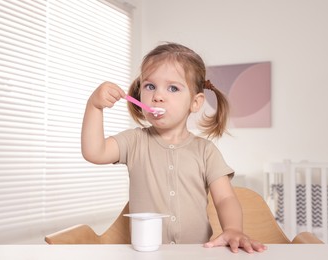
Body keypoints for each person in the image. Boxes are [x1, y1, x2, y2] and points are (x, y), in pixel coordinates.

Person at [81, 42, 266, 253]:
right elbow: (94, 152)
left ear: (195, 103)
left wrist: (233, 229)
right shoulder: (134, 142)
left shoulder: (205, 151)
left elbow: (225, 198)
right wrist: (94, 107)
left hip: (196, 254)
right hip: (147, 254)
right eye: (150, 86)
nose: (158, 95)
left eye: (173, 88)